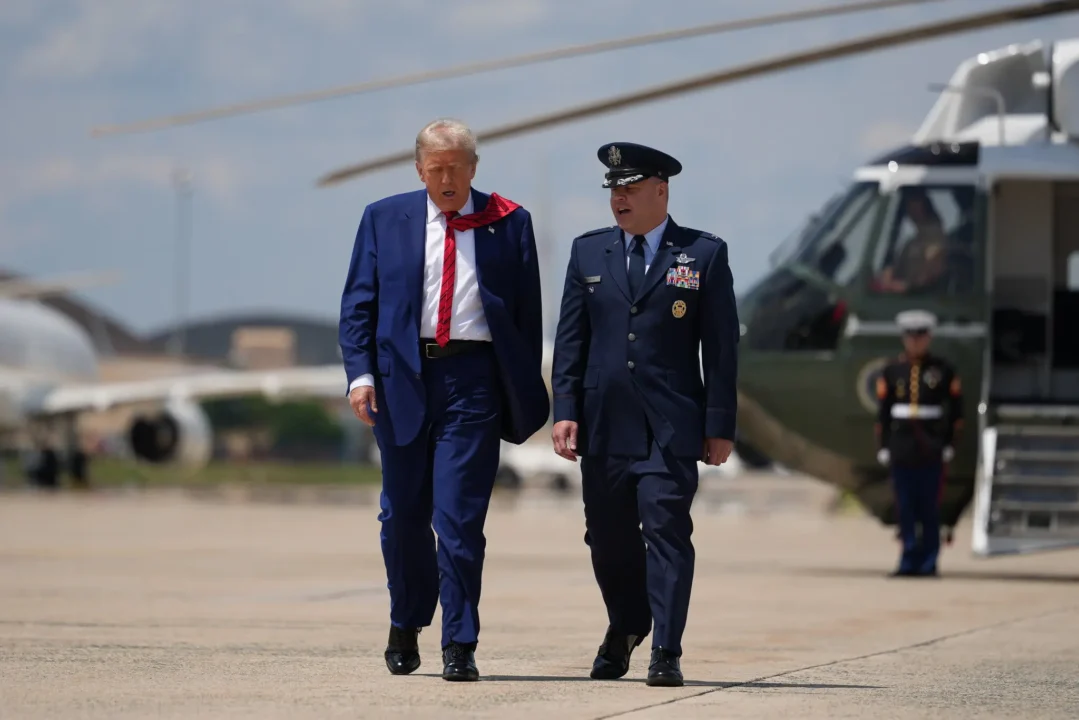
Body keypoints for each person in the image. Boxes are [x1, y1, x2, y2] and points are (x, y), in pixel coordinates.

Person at [338, 117, 549, 682]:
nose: (447, 179)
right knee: (401, 516)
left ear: (474, 168)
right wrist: (360, 376)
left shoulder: (509, 222)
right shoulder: (384, 219)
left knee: (459, 519)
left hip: (472, 381)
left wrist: (516, 385)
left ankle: (460, 641)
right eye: (436, 169)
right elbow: (358, 306)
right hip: (401, 381)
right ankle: (406, 620)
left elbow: (527, 316)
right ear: (419, 170)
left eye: (457, 168)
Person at [550, 142, 740, 687]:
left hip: (669, 427)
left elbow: (721, 348)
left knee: (666, 531)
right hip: (605, 424)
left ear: (661, 190)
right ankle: (628, 623)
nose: (619, 199)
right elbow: (571, 340)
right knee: (606, 539)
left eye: (630, 188)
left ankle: (665, 650)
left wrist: (719, 425)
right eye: (613, 189)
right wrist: (565, 409)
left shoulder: (702, 254)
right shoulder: (589, 252)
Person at [875, 309, 963, 577]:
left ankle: (928, 561)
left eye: (921, 335)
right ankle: (908, 559)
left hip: (930, 446)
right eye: (911, 336)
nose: (915, 341)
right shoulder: (892, 370)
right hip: (902, 446)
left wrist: (948, 443)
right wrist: (884, 445)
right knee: (905, 507)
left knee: (929, 508)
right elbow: (884, 413)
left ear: (929, 338)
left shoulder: (942, 370)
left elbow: (956, 412)